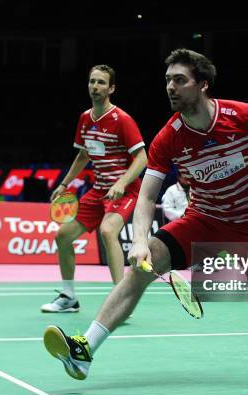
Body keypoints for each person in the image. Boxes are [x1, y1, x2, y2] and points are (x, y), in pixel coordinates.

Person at [42, 49, 248, 386]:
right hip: (203, 220)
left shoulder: (242, 116)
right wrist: (142, 241)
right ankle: (84, 350)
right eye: (167, 81)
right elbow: (147, 195)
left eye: (179, 80)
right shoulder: (169, 137)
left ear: (202, 84)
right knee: (140, 272)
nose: (170, 87)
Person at [41, 64, 148, 313]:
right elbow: (83, 156)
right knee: (63, 236)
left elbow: (142, 158)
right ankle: (68, 297)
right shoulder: (85, 118)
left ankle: (122, 301)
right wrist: (65, 183)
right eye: (92, 82)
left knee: (108, 230)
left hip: (126, 189)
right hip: (99, 190)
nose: (95, 87)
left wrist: (121, 183)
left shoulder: (122, 120)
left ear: (111, 88)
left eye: (101, 82)